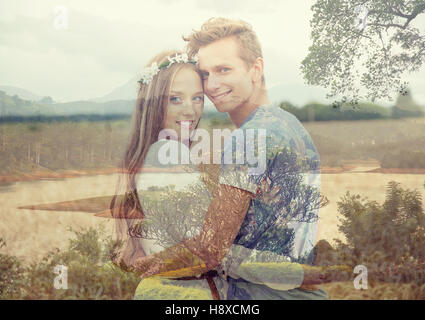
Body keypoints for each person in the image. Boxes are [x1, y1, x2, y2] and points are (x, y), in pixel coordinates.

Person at [110, 50, 221, 299]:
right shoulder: (168, 152)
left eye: (197, 98)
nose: (190, 111)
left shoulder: (151, 154)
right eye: (175, 99)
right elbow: (207, 247)